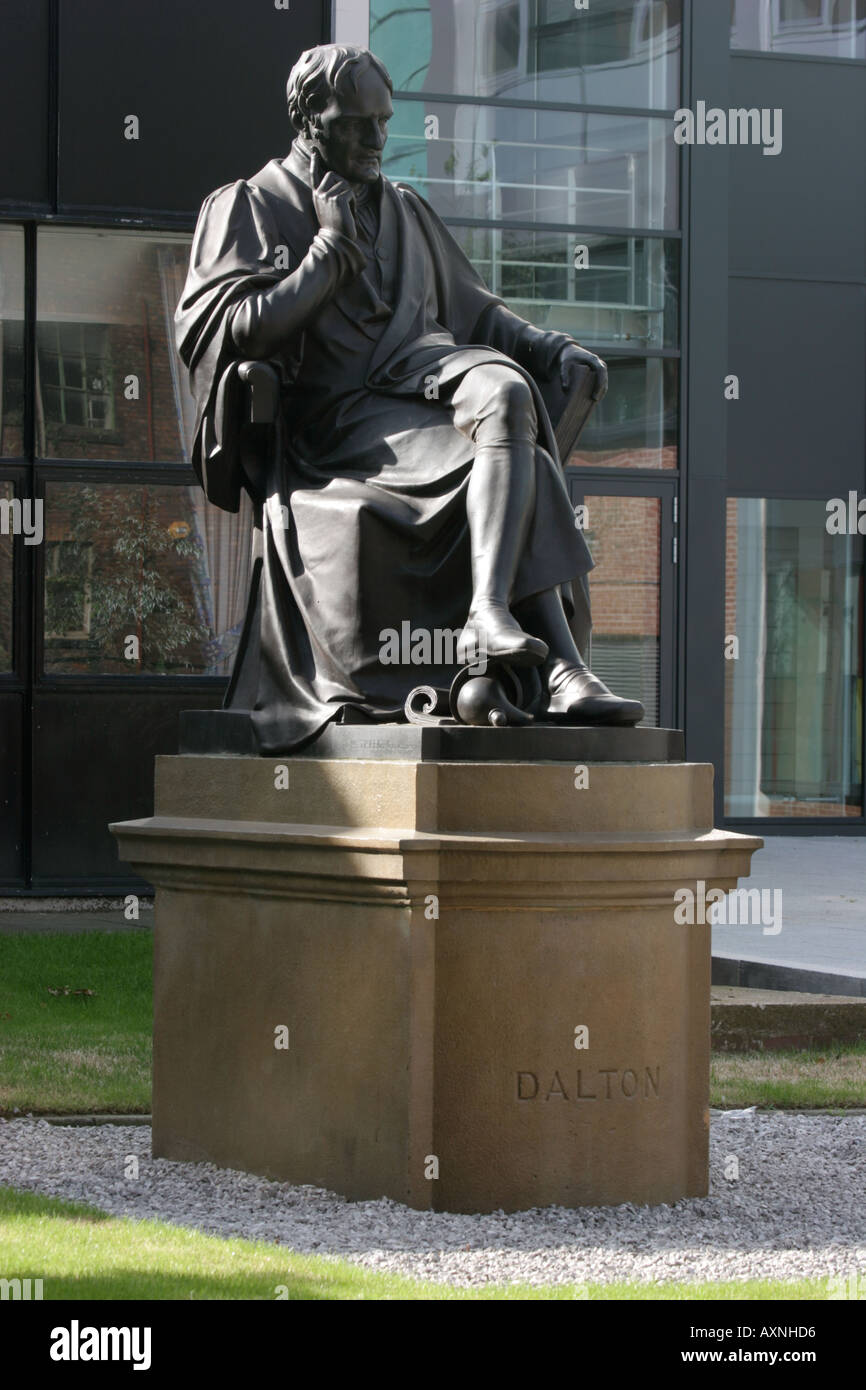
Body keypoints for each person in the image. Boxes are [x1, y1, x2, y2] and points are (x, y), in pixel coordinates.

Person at [176, 43, 644, 751]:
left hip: (418, 389)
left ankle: (495, 620)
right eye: (358, 122)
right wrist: (328, 253)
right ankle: (559, 669)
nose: (376, 139)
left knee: (511, 394)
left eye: (384, 122)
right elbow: (228, 331)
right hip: (332, 423)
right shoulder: (251, 205)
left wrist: (546, 345)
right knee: (525, 456)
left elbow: (476, 313)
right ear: (309, 117)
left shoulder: (403, 208)